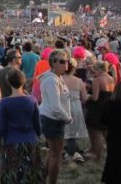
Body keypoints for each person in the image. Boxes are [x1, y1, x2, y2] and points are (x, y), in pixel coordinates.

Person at [0, 69, 44, 184]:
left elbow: (1, 125)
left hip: (12, 142)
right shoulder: (32, 100)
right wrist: (39, 135)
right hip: (31, 140)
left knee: (13, 174)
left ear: (8, 82)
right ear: (23, 82)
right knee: (31, 173)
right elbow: (37, 123)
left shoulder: (5, 102)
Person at [39, 49, 71, 184]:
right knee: (56, 155)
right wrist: (67, 118)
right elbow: (55, 107)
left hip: (52, 118)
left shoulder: (56, 77)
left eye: (67, 61)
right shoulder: (52, 81)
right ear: (53, 63)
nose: (66, 65)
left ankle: (42, 177)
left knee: (52, 152)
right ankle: (51, 181)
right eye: (62, 62)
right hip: (53, 119)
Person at [84, 61, 115, 161]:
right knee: (105, 131)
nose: (93, 72)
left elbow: (95, 97)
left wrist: (88, 96)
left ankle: (97, 155)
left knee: (95, 132)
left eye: (95, 70)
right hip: (107, 107)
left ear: (99, 69)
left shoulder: (97, 80)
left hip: (97, 108)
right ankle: (95, 149)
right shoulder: (111, 78)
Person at [62, 58, 88, 164]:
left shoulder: (59, 79)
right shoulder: (79, 81)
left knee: (61, 132)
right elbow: (85, 98)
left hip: (62, 107)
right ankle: (70, 155)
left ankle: (63, 152)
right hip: (75, 107)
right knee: (72, 135)